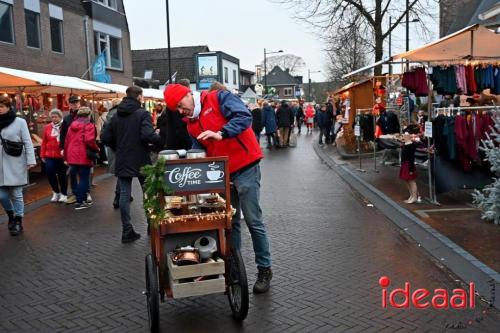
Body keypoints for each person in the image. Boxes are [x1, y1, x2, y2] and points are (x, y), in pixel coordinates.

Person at [164, 84, 273, 294]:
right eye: (176, 109)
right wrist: (186, 161)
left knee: (253, 220)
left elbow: (243, 117)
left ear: (188, 94)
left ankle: (264, 269)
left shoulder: (218, 98)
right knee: (229, 222)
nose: (180, 111)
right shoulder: (191, 125)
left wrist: (222, 133)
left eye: (180, 105)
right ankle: (235, 268)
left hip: (246, 165)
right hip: (223, 174)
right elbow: (200, 151)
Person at [101, 86, 162, 243]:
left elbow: (105, 137)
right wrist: (160, 141)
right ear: (140, 97)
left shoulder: (116, 115)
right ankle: (152, 225)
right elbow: (148, 134)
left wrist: (118, 146)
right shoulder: (142, 113)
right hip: (141, 158)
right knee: (148, 193)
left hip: (123, 158)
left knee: (124, 194)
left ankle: (127, 230)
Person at [0, 95, 36, 236]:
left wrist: (30, 160)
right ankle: (11, 216)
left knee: (16, 194)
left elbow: (27, 141)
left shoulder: (19, 122)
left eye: (2, 106)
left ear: (9, 107)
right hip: (0, 165)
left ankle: (18, 221)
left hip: (15, 162)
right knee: (2, 196)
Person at [63, 107, 99, 210]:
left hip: (72, 154)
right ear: (89, 115)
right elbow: (89, 140)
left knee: (78, 177)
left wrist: (66, 156)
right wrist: (97, 149)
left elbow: (66, 142)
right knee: (84, 178)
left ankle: (80, 199)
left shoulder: (71, 126)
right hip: (83, 154)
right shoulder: (89, 125)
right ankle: (80, 201)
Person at [41, 109, 68, 203]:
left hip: (61, 155)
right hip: (49, 155)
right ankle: (56, 192)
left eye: (55, 116)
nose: (53, 118)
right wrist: (42, 155)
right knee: (49, 173)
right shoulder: (47, 127)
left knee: (62, 175)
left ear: (60, 117)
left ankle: (64, 194)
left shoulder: (64, 126)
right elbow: (44, 142)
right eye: (52, 117)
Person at [156, 79, 192, 150]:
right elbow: (179, 127)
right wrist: (189, 143)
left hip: (173, 142)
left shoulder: (171, 105)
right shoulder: (175, 104)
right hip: (179, 144)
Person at [60, 95, 80, 204]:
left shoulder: (86, 116)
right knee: (72, 171)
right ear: (70, 105)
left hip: (83, 149)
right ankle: (75, 193)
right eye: (73, 103)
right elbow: (62, 133)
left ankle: (85, 192)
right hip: (71, 149)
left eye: (77, 102)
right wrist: (62, 147)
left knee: (84, 172)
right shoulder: (67, 118)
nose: (75, 104)